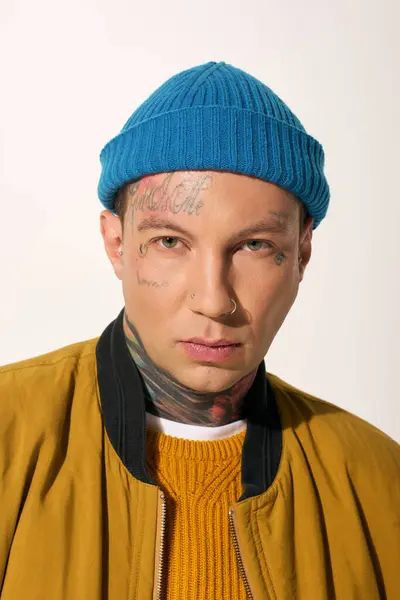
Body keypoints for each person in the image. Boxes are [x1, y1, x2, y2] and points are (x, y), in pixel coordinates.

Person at [0, 61, 399, 600]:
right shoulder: (9, 434)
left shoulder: (379, 480)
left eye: (255, 246)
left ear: (301, 253)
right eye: (170, 241)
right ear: (117, 243)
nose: (214, 300)